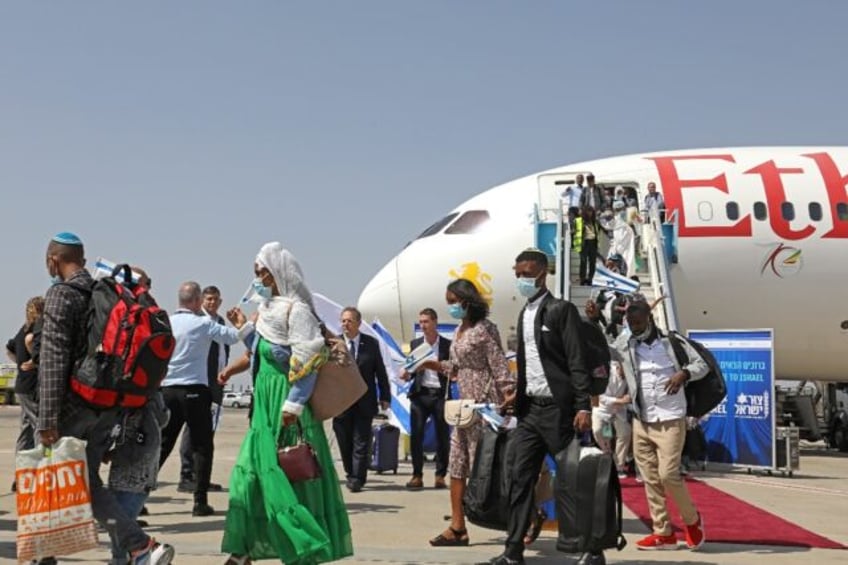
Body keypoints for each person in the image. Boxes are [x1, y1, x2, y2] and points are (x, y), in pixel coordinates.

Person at [37, 232, 174, 564]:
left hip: (74, 407)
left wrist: (47, 419)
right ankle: (45, 553)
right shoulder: (109, 292)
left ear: (54, 259)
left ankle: (140, 546)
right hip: (108, 406)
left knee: (80, 482)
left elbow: (53, 359)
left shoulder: (62, 294)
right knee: (83, 480)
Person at [220, 241, 353, 565]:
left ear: (277, 273)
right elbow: (264, 353)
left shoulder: (299, 311)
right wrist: (245, 329)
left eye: (261, 274)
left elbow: (307, 361)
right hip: (263, 406)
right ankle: (245, 550)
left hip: (286, 406)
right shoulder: (267, 311)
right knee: (249, 476)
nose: (257, 281)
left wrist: (292, 406)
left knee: (291, 477)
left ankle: (302, 548)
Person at [478, 248, 596, 565]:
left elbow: (576, 360)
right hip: (529, 413)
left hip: (559, 411)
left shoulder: (562, 310)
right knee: (518, 478)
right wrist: (516, 396)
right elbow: (530, 364)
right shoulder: (524, 313)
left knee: (570, 481)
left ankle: (589, 548)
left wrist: (583, 406)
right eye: (517, 274)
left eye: (526, 274)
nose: (521, 280)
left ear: (542, 274)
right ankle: (513, 550)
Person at [610, 301, 707, 551]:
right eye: (631, 325)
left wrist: (683, 374)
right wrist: (593, 321)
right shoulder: (627, 343)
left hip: (671, 418)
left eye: (639, 323)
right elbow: (606, 350)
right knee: (650, 478)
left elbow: (702, 365)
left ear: (649, 318)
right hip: (642, 419)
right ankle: (662, 532)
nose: (635, 328)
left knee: (668, 475)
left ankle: (692, 521)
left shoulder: (672, 342)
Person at [427, 278, 513, 547]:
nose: (450, 307)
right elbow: (456, 367)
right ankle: (457, 526)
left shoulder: (485, 329)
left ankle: (524, 516)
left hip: (484, 405)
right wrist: (432, 365)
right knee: (457, 464)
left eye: (453, 302)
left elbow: (499, 365)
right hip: (463, 407)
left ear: (467, 300)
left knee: (486, 466)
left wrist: (509, 396)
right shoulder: (459, 330)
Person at [158, 282, 244, 517]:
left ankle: (139, 495)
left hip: (167, 390)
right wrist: (246, 322)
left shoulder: (166, 323)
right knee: (202, 446)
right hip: (194, 390)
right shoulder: (203, 323)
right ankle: (200, 500)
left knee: (163, 444)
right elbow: (234, 338)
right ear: (197, 301)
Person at [106, 391, 170, 565]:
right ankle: (128, 556)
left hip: (131, 477)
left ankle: (132, 555)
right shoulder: (153, 400)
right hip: (138, 476)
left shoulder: (142, 407)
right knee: (120, 522)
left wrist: (115, 454)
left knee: (119, 524)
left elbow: (142, 445)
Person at [178, 285, 230, 493]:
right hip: (198, 382)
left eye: (215, 299)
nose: (212, 303)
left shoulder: (220, 322)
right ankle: (187, 474)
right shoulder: (197, 321)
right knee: (192, 430)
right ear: (201, 300)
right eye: (208, 299)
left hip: (217, 382)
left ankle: (202, 477)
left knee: (207, 433)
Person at [333, 306, 391, 493]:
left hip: (364, 401)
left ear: (358, 323)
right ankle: (350, 473)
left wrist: (385, 396)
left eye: (349, 321)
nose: (345, 324)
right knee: (344, 441)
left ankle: (358, 478)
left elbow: (380, 372)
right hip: (341, 403)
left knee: (361, 441)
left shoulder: (371, 344)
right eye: (343, 321)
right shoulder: (333, 343)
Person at [399, 307, 451, 490]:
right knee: (417, 435)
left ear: (435, 322)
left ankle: (440, 475)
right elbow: (410, 369)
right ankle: (417, 475)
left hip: (440, 395)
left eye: (426, 322)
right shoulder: (416, 344)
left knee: (443, 436)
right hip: (420, 395)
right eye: (421, 322)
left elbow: (452, 369)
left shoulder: (446, 345)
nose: (423, 325)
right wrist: (406, 374)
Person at [6, 296, 44, 458]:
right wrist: (33, 363)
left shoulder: (23, 329)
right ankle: (40, 463)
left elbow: (9, 349)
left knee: (27, 426)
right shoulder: (36, 330)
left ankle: (21, 466)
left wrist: (20, 364)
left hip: (22, 384)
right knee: (39, 425)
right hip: (32, 385)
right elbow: (30, 343)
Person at [591, 361, 632, 478]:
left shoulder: (629, 375)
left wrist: (627, 397)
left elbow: (631, 391)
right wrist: (619, 400)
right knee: (599, 432)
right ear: (619, 366)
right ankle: (607, 455)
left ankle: (619, 466)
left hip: (619, 411)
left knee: (625, 434)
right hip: (602, 410)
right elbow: (601, 397)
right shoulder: (606, 373)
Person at [576, 206, 602, 285]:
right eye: (588, 211)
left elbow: (599, 229)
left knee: (592, 262)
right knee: (583, 262)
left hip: (593, 242)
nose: (590, 213)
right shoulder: (580, 221)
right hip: (584, 243)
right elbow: (575, 231)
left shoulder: (595, 222)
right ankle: (582, 278)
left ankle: (591, 278)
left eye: (591, 211)